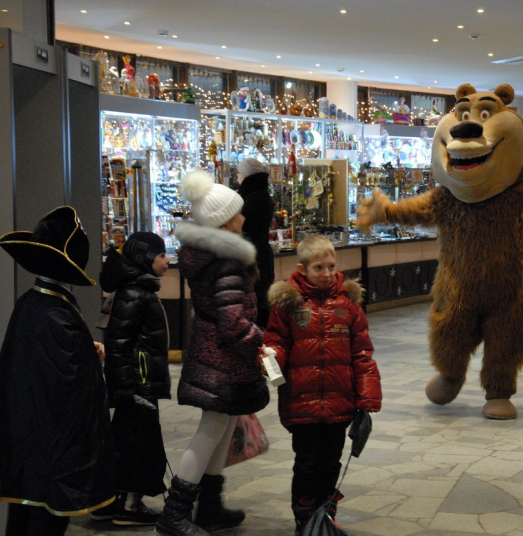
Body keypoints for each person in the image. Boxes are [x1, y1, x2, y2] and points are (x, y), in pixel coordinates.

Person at [155, 171, 269, 536]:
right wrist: (260, 341)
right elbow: (233, 321)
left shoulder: (208, 256)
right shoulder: (226, 261)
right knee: (211, 430)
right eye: (237, 213)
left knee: (221, 427)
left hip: (215, 355)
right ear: (224, 220)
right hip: (221, 358)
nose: (244, 217)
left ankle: (209, 506)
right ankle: (175, 515)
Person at [0, 206, 115, 535]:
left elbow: (33, 363)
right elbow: (71, 384)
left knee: (23, 509)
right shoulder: (57, 313)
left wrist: (82, 350)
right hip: (54, 441)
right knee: (47, 517)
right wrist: (90, 357)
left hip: (26, 433)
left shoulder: (29, 303)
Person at [263, 235, 382, 535]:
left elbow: (362, 352)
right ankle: (304, 517)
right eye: (319, 268)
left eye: (331, 266)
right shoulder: (288, 303)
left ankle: (325, 515)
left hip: (339, 402)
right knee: (307, 463)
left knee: (330, 463)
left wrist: (367, 398)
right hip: (301, 401)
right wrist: (271, 356)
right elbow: (277, 339)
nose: (327, 273)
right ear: (302, 269)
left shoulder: (348, 302)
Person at [97, 232, 172, 526]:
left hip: (137, 383)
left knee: (127, 441)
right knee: (139, 445)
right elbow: (119, 344)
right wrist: (129, 387)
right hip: (138, 385)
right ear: (145, 259)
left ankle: (108, 501)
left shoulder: (135, 289)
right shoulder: (134, 292)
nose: (167, 261)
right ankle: (128, 504)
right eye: (161, 255)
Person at [236, 157, 275, 327]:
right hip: (261, 252)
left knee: (257, 297)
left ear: (245, 175)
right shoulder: (262, 195)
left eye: (239, 173)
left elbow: (243, 222)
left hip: (253, 254)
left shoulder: (251, 198)